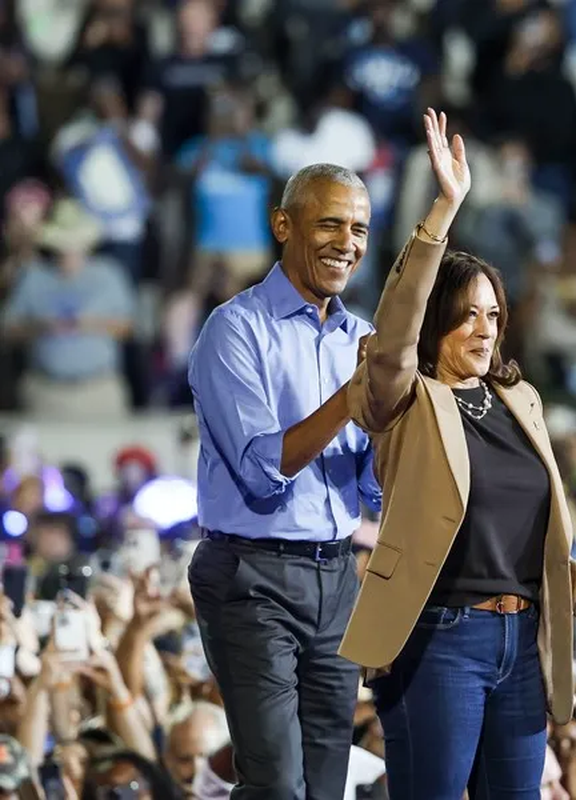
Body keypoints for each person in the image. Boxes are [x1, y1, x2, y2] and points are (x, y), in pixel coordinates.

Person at [338, 108, 576, 799]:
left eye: (493, 314)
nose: (484, 329)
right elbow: (397, 325)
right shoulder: (403, 398)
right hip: (438, 638)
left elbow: (525, 533)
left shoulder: (520, 404)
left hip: (522, 640)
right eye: (466, 314)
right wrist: (443, 209)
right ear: (437, 322)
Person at [186, 159, 383, 800]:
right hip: (251, 579)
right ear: (282, 225)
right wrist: (351, 399)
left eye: (358, 228)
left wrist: (388, 424)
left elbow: (374, 491)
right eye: (329, 223)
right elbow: (261, 469)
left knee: (326, 786)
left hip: (337, 577)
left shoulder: (364, 339)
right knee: (276, 786)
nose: (346, 242)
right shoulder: (234, 330)